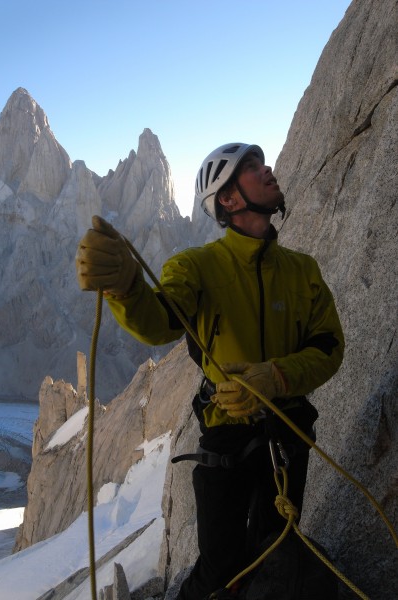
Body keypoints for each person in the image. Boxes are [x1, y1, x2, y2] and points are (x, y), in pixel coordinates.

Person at [76, 142, 345, 599]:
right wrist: (126, 291)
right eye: (253, 168)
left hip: (287, 436)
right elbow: (162, 319)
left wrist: (275, 376)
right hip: (227, 442)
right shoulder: (197, 266)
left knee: (276, 555)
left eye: (262, 164)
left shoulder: (304, 271)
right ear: (229, 199)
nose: (268, 170)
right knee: (220, 571)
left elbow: (329, 347)